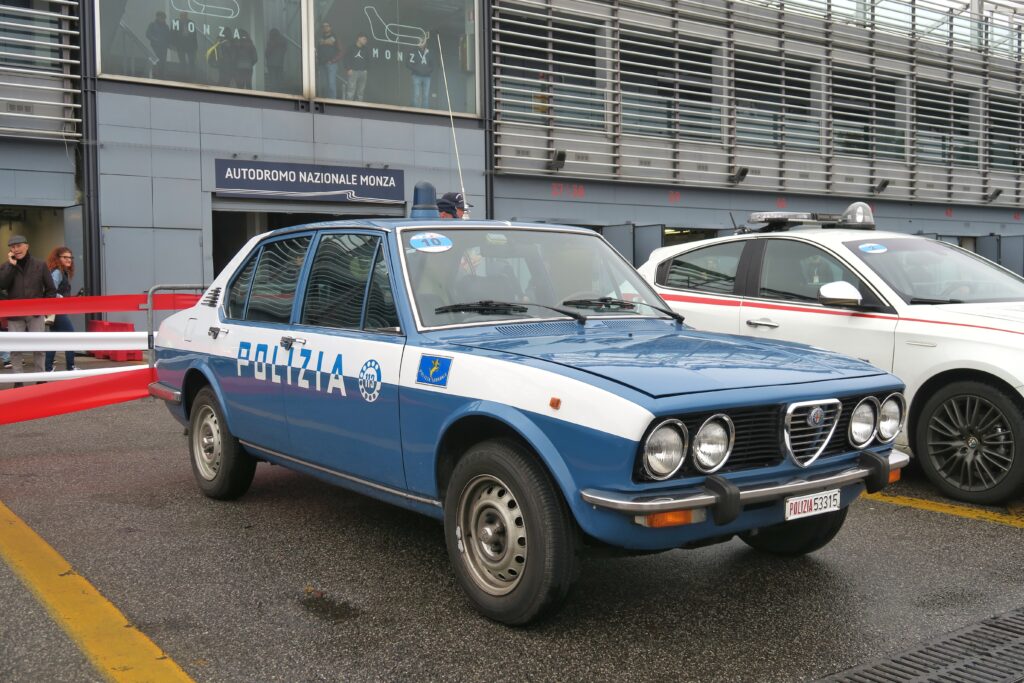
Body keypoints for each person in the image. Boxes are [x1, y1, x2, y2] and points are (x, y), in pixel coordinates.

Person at [0, 235, 56, 381]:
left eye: (18, 246)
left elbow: (50, 289)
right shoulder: (6, 266)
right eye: (12, 247)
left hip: (35, 313)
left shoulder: (40, 264)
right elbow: (2, 285)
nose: (15, 249)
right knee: (15, 349)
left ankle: (40, 377)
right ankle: (18, 380)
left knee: (39, 347)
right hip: (15, 314)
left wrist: (46, 307)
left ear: (27, 246)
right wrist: (11, 266)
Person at [44, 246, 77, 373]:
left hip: (55, 310)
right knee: (70, 336)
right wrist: (62, 297)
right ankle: (70, 366)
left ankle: (48, 368)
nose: (69, 260)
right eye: (65, 257)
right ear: (57, 258)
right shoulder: (57, 272)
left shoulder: (62, 272)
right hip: (56, 310)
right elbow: (51, 290)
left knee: (54, 338)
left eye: (70, 257)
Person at [406, 33, 436, 109]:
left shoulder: (430, 52)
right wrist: (417, 69)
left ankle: (425, 112)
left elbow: (433, 65)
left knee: (426, 95)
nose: (422, 43)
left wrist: (427, 71)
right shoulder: (413, 51)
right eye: (420, 41)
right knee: (416, 94)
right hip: (416, 75)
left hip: (427, 77)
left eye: (423, 41)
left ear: (425, 42)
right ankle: (415, 111)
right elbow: (408, 63)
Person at [316, 22, 341, 98]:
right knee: (324, 85)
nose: (325, 27)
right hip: (322, 64)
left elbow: (341, 51)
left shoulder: (335, 37)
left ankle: (332, 102)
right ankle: (326, 101)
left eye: (327, 26)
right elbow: (317, 50)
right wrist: (317, 60)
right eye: (323, 26)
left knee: (331, 84)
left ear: (330, 27)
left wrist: (333, 61)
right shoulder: (320, 38)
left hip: (331, 64)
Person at [145, 11, 172, 79]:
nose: (162, 19)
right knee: (156, 61)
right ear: (157, 17)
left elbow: (168, 37)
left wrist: (169, 45)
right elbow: (148, 34)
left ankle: (161, 76)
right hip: (155, 47)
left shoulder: (166, 27)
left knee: (163, 62)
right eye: (161, 17)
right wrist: (154, 39)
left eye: (163, 18)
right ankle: (154, 75)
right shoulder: (152, 25)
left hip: (163, 47)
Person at [173, 11, 197, 81]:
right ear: (180, 16)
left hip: (190, 45)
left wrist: (195, 46)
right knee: (182, 61)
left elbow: (194, 36)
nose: (184, 17)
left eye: (185, 15)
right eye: (182, 16)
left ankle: (192, 76)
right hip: (181, 45)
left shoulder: (191, 23)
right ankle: (183, 76)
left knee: (191, 61)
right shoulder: (176, 22)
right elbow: (173, 33)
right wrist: (174, 44)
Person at [344, 34, 369, 101]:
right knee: (351, 90)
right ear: (359, 38)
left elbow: (369, 60)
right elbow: (346, 59)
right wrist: (348, 69)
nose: (365, 41)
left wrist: (366, 69)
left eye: (366, 40)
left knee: (361, 91)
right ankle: (348, 107)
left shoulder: (366, 49)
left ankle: (359, 107)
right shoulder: (351, 47)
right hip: (353, 71)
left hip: (363, 72)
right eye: (364, 39)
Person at [265, 28, 287, 92]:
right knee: (278, 79)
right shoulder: (283, 42)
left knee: (273, 80)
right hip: (279, 64)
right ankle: (279, 91)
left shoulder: (271, 42)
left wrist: (271, 46)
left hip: (272, 64)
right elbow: (284, 50)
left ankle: (274, 91)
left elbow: (267, 53)